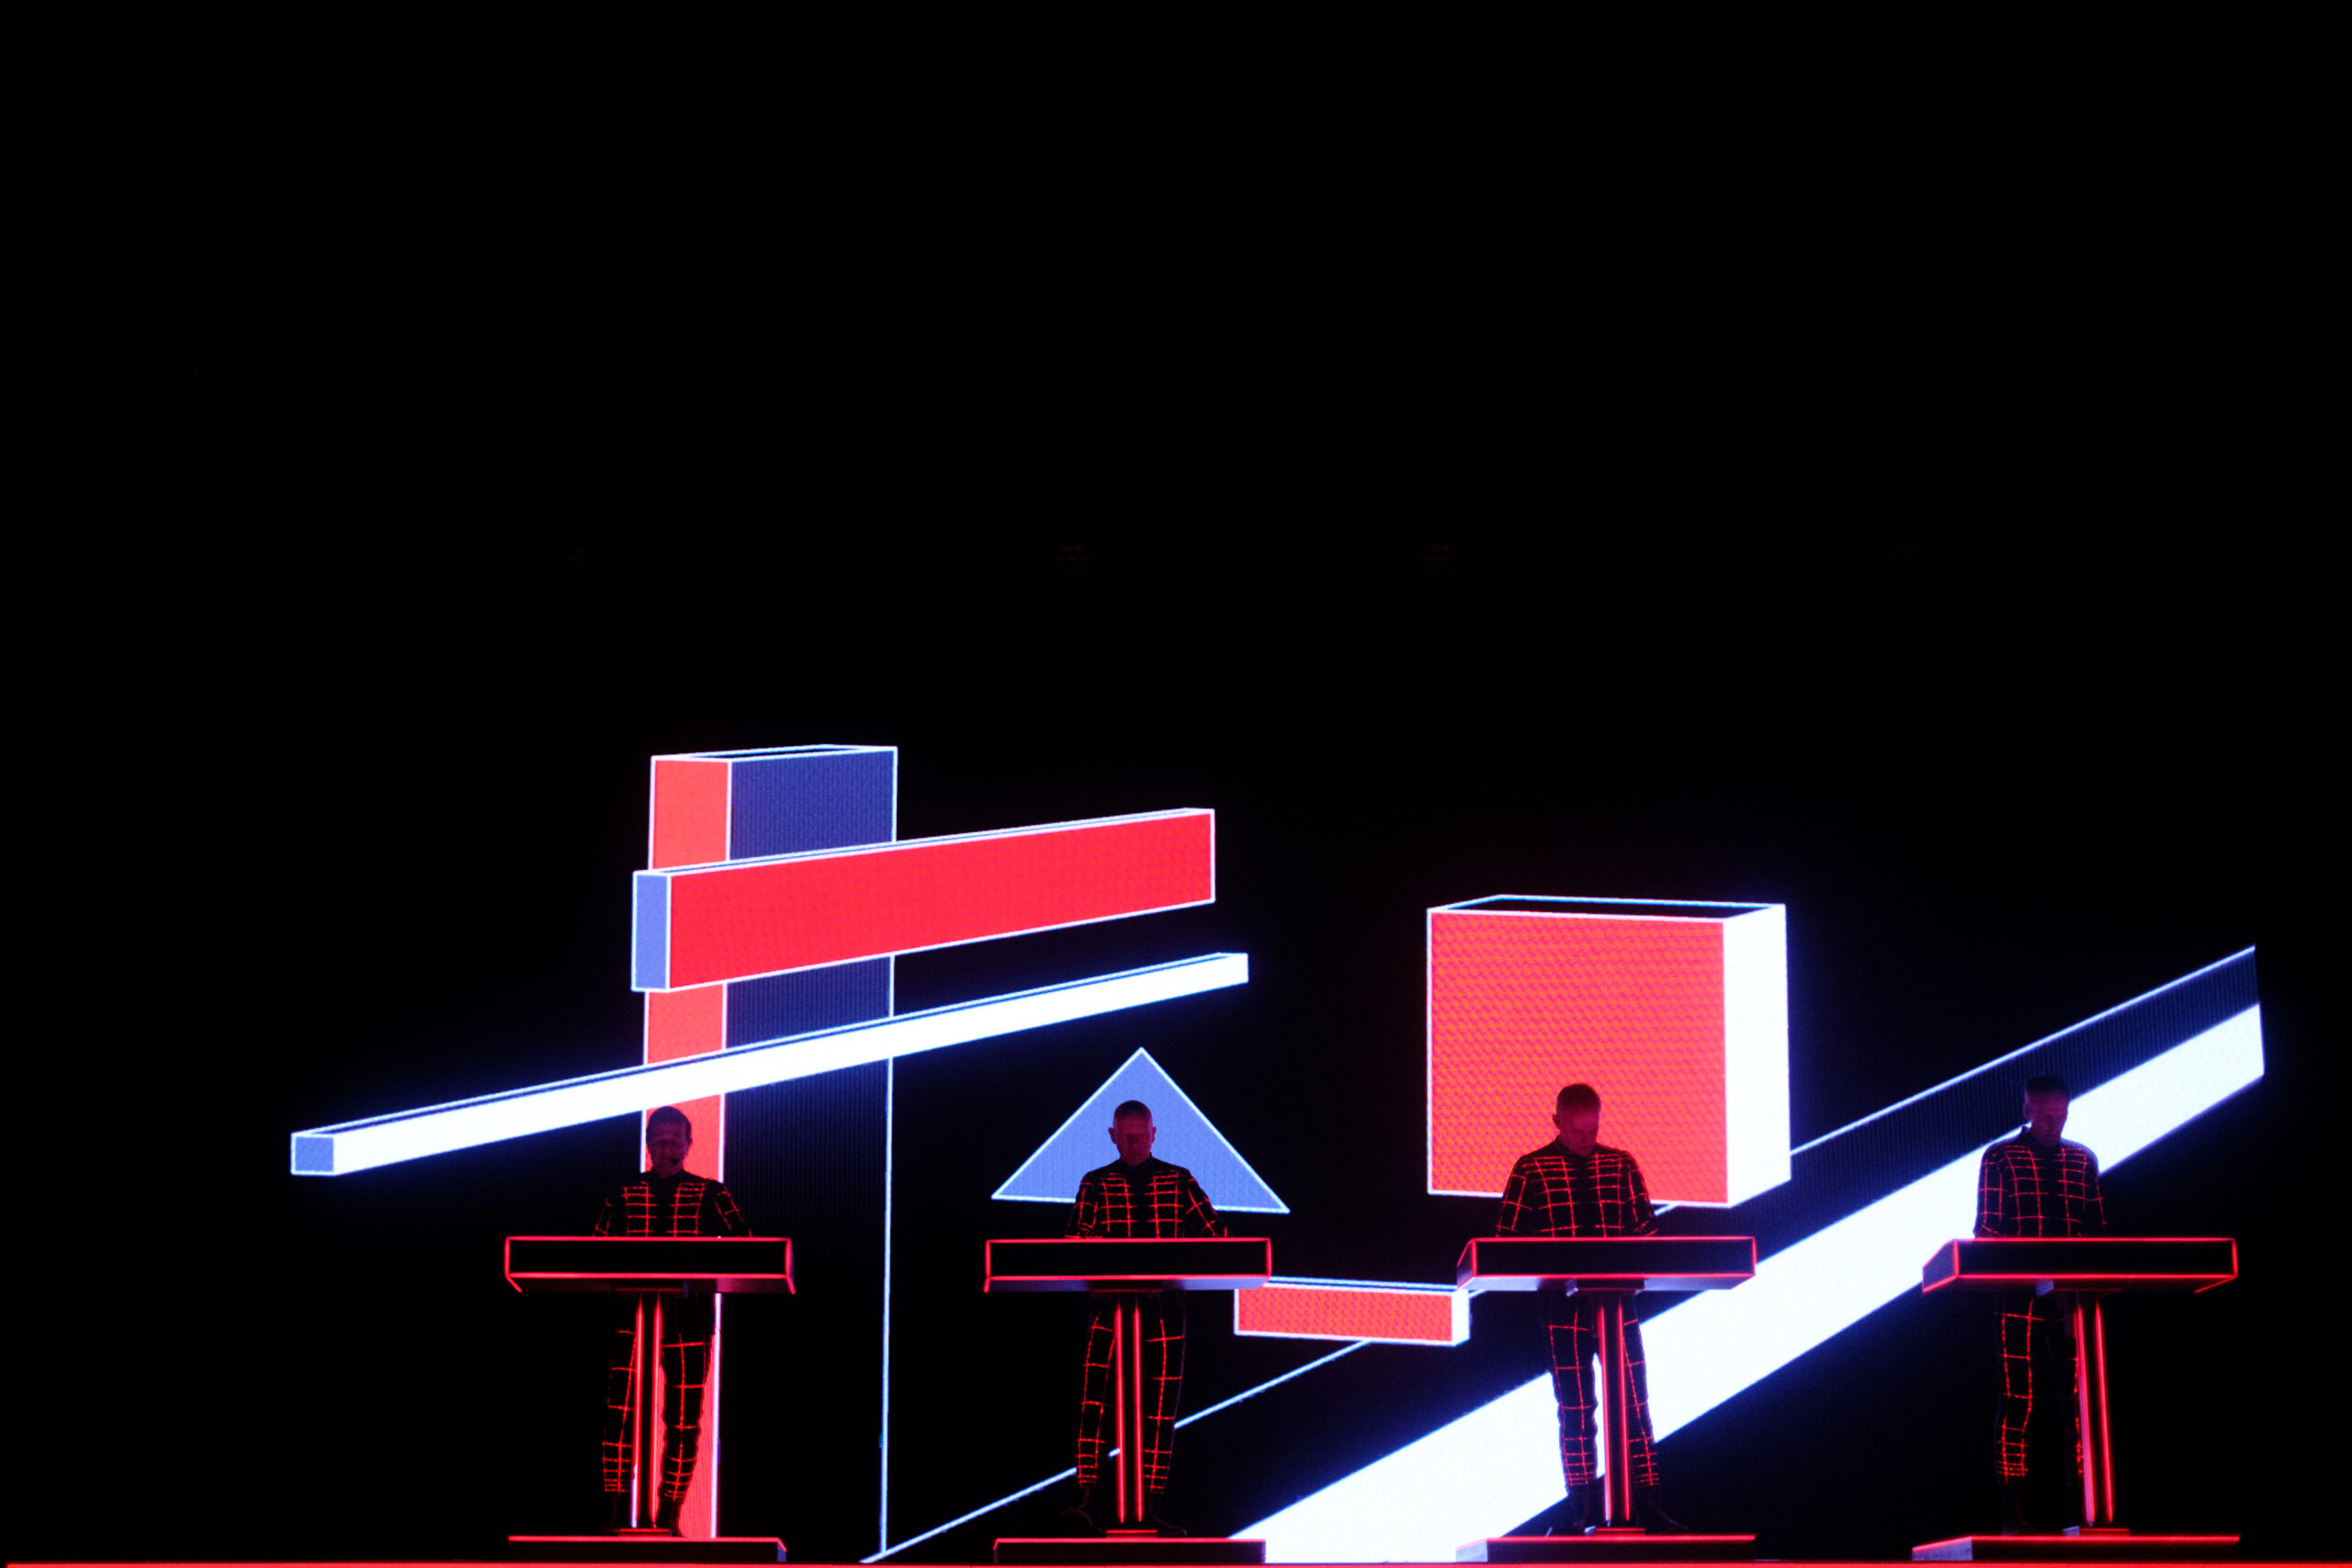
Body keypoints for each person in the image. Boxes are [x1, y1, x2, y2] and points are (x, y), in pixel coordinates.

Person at [1497, 1082, 1676, 1533]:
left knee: (1635, 1404)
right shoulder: (1531, 1169)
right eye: (1577, 1132)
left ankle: (1646, 1506)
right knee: (1576, 1410)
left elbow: (1647, 1231)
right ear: (1556, 1122)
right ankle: (1583, 1511)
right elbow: (1506, 1244)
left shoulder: (1621, 1165)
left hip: (1619, 1307)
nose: (1586, 1140)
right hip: (1563, 1310)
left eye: (1593, 1131)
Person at [1062, 1099, 1227, 1535]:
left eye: (1142, 1135)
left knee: (1159, 1410)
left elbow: (1218, 1237)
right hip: (1108, 1307)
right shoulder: (1095, 1183)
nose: (1135, 1144)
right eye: (1127, 1136)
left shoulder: (1178, 1180)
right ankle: (1086, 1502)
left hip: (1164, 1310)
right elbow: (1072, 1244)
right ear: (1113, 1136)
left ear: (1155, 1134)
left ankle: (1148, 1507)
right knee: (1095, 1401)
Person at [595, 1105, 751, 1534]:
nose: (667, 1146)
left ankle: (670, 1514)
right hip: (631, 1320)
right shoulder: (622, 1194)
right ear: (647, 1145)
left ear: (689, 1144)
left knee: (683, 1420)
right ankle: (616, 1511)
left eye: (674, 1139)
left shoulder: (712, 1194)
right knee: (619, 1415)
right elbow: (591, 1253)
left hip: (688, 1320)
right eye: (659, 1139)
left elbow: (747, 1249)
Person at [1974, 1074, 2108, 1534]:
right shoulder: (2001, 1157)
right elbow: (1986, 1230)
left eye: (2062, 1115)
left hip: (2072, 1300)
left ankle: (2083, 1506)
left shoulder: (2082, 1159)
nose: (2054, 1123)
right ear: (2027, 1110)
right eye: (2046, 1114)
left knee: (2080, 1402)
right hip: (2017, 1292)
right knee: (2017, 1400)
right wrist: (2020, 1267)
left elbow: (2097, 1231)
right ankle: (2013, 1513)